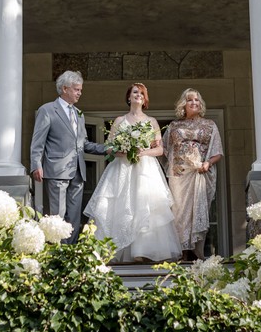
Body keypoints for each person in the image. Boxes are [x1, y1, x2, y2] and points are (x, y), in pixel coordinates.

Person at [83, 83, 181, 263]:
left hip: (146, 170)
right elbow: (110, 147)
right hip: (122, 168)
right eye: (135, 92)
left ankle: (142, 251)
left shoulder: (151, 121)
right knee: (122, 206)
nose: (138, 95)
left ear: (145, 100)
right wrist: (125, 151)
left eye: (142, 94)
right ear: (129, 97)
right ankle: (116, 250)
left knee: (145, 206)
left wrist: (141, 152)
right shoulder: (120, 120)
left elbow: (160, 150)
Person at [30, 70, 107, 243]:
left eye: (80, 90)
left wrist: (107, 149)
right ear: (65, 89)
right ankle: (58, 252)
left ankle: (70, 252)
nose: (80, 93)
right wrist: (36, 164)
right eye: (76, 89)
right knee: (58, 215)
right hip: (57, 170)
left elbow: (83, 144)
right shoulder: (47, 110)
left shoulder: (79, 113)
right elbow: (38, 141)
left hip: (78, 172)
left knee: (74, 216)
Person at [162, 88, 223, 261]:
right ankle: (180, 252)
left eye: (197, 100)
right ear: (184, 104)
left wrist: (207, 163)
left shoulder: (210, 125)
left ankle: (197, 251)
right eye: (190, 100)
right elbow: (163, 148)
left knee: (198, 210)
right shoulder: (174, 125)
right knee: (178, 211)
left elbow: (218, 151)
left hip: (199, 173)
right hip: (179, 173)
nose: (194, 103)